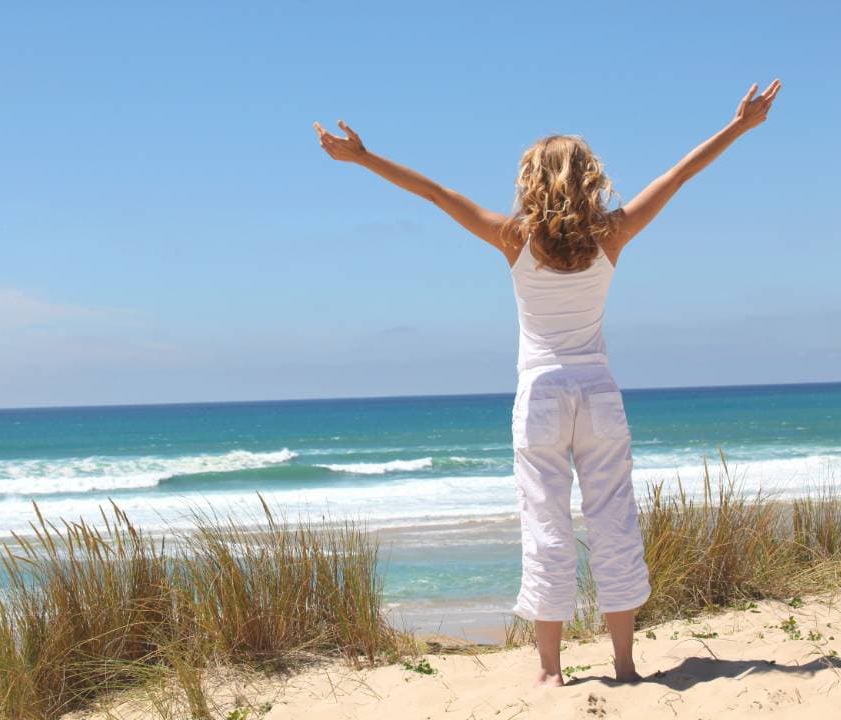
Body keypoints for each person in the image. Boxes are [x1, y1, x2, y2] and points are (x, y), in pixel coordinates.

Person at [313, 78, 782, 686]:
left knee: (546, 526)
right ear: (589, 177)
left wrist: (363, 158)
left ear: (532, 181)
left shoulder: (515, 239)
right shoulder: (614, 233)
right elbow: (680, 175)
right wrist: (739, 126)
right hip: (599, 394)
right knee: (614, 523)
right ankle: (624, 666)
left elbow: (434, 193)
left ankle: (550, 673)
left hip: (540, 396)